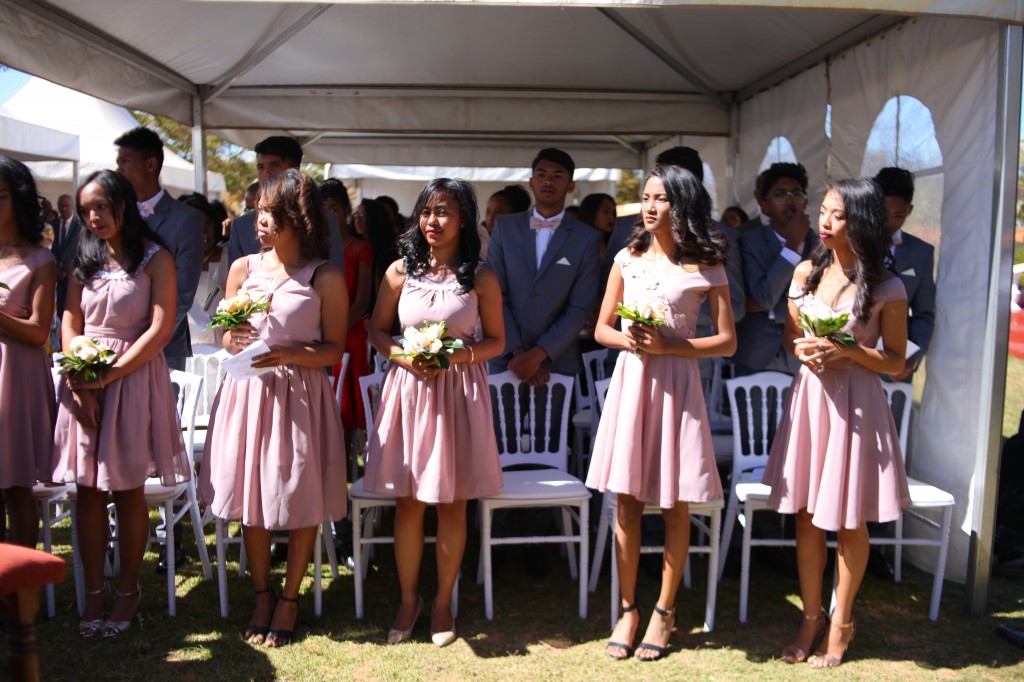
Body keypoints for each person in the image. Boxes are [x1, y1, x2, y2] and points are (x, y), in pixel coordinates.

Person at [585, 164, 735, 661]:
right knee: (625, 500)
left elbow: (727, 341)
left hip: (679, 386)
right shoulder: (626, 258)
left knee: (676, 502)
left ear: (683, 204)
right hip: (632, 385)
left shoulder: (708, 263)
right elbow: (601, 328)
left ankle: (665, 612)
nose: (649, 206)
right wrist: (627, 338)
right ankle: (627, 608)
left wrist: (673, 344)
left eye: (661, 199)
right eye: (646, 198)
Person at [761, 177, 911, 668]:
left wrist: (850, 350)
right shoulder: (804, 272)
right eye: (823, 211)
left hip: (857, 407)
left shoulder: (888, 286)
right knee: (806, 514)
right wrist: (802, 348)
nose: (824, 221)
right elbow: (789, 336)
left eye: (838, 214)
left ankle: (843, 621)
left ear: (862, 222)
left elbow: (895, 362)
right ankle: (811, 616)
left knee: (848, 520)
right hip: (811, 402)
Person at [199, 169, 348, 648]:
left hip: (300, 397)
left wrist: (289, 355)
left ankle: (290, 599)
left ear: (298, 219)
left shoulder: (323, 276)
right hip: (248, 395)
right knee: (251, 499)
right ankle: (261, 594)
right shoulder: (242, 268)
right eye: (259, 211)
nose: (260, 221)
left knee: (301, 498)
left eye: (272, 213)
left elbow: (333, 349)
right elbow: (223, 332)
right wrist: (230, 336)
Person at [362, 178, 504, 648]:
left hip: (458, 394)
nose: (432, 221)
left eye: (443, 211)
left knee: (452, 501)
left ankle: (443, 600)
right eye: (425, 211)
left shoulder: (480, 276)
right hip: (409, 392)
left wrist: (455, 358)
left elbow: (497, 342)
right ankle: (408, 599)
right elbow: (377, 331)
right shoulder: (398, 272)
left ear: (464, 217)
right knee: (408, 501)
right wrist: (403, 358)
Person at [51, 169, 189, 637]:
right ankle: (93, 591)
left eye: (102, 207)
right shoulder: (81, 260)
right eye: (87, 209)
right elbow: (69, 321)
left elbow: (161, 328)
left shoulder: (155, 258)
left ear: (124, 206)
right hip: (84, 379)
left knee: (128, 489)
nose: (93, 217)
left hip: (132, 378)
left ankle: (128, 589)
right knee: (86, 492)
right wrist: (80, 379)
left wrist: (109, 375)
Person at [487, 147, 601, 383]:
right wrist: (519, 353)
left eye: (557, 176)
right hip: (505, 356)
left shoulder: (586, 238)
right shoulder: (505, 228)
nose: (548, 181)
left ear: (571, 185)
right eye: (541, 174)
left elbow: (580, 307)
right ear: (531, 182)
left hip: (557, 362)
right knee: (501, 421)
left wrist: (538, 355)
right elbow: (492, 294)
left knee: (553, 422)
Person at [0, 156, 57, 548]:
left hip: (15, 378)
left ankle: (21, 593)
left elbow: (39, 332)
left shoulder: (41, 259)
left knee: (18, 486)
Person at [114, 127, 204, 372]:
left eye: (125, 162)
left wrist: (145, 340)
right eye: (117, 162)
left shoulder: (187, 219)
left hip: (164, 345)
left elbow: (184, 293)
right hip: (113, 346)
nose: (118, 170)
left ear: (151, 165)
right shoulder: (113, 216)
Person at [733, 162, 819, 375]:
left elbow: (820, 302)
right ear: (764, 205)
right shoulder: (748, 242)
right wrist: (791, 247)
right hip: (755, 354)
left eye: (796, 193)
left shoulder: (821, 245)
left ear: (805, 201)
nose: (790, 200)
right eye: (780, 194)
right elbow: (763, 298)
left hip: (803, 354)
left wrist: (772, 311)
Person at [227, 137, 346, 276]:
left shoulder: (322, 219)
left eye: (275, 165)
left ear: (295, 170)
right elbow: (236, 292)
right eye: (261, 167)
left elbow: (336, 274)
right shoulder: (241, 226)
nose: (266, 173)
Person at [320, 179, 371, 440]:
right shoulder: (316, 250)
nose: (329, 215)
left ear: (346, 211)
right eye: (324, 209)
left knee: (350, 402)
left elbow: (363, 300)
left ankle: (353, 458)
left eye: (334, 209)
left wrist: (336, 329)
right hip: (322, 332)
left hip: (350, 331)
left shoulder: (361, 249)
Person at [873, 167, 935, 380]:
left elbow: (924, 314)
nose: (889, 222)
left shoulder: (922, 253)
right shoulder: (852, 243)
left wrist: (912, 359)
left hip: (896, 368)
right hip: (851, 361)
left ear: (909, 210)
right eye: (883, 213)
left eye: (898, 215)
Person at [178, 192, 229, 348]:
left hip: (219, 351)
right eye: (194, 226)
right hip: (183, 350)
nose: (203, 233)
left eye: (207, 224)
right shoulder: (171, 262)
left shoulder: (228, 259)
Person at [51, 192, 83, 319]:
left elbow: (79, 250)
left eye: (67, 206)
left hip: (72, 274)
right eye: (61, 206)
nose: (63, 209)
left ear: (72, 207)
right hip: (53, 274)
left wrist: (65, 268)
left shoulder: (80, 226)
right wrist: (56, 269)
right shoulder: (51, 226)